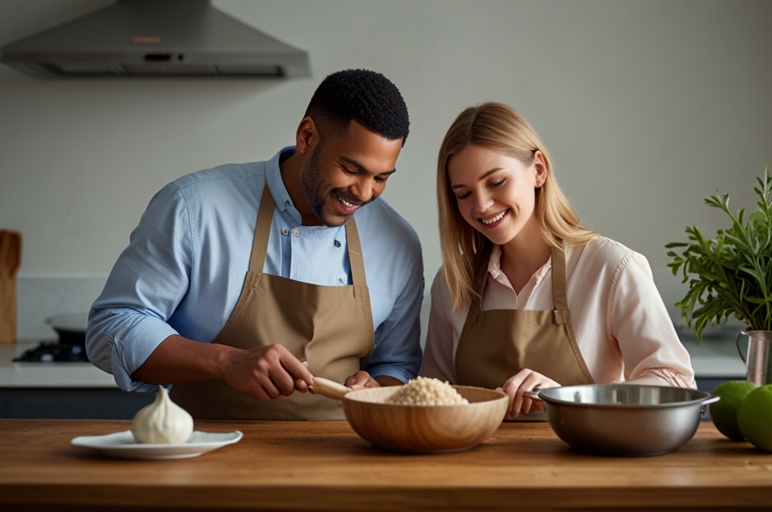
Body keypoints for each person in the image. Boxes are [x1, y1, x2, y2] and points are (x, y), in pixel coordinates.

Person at [86, 69, 424, 420]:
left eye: (381, 177)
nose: (365, 192)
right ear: (306, 136)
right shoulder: (193, 207)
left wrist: (379, 388)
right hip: (205, 457)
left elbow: (397, 364)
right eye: (351, 169)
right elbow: (112, 327)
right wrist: (227, 361)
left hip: (343, 463)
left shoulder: (397, 242)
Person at [421, 102, 694, 420]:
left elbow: (677, 384)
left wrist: (570, 398)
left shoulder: (611, 268)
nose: (481, 205)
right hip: (473, 467)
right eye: (463, 193)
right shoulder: (453, 283)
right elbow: (432, 397)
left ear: (538, 170)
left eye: (496, 183)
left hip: (585, 465)